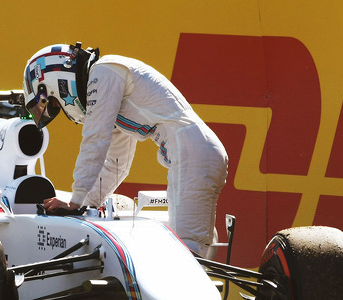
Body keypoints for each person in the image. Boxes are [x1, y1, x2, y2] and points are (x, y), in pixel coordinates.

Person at [23, 43, 228, 259]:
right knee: (188, 258)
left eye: (54, 103)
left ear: (57, 83)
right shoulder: (109, 85)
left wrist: (75, 200)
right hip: (194, 154)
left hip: (192, 156)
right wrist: (84, 202)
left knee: (188, 259)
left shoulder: (104, 71)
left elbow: (95, 139)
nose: (60, 108)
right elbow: (115, 165)